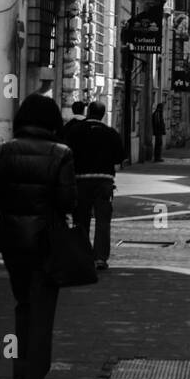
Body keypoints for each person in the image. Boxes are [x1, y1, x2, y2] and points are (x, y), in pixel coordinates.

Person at [0, 93, 77, 379]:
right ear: (53, 123)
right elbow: (69, 202)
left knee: (23, 306)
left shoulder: (0, 153)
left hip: (13, 243)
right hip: (46, 243)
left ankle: (19, 369)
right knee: (43, 312)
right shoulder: (61, 154)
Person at [62, 100, 125, 272]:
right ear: (103, 114)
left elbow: (65, 153)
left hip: (81, 180)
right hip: (104, 181)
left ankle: (81, 256)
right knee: (103, 221)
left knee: (81, 220)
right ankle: (100, 258)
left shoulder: (75, 131)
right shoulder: (110, 133)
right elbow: (120, 156)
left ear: (88, 112)